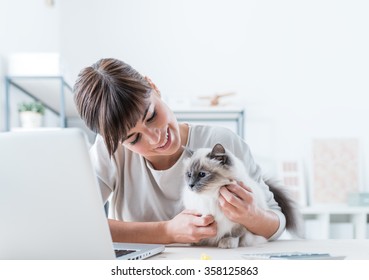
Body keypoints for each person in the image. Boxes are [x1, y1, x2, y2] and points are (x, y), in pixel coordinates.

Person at [73, 58, 286, 244]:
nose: (155, 137)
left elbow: (277, 224)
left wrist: (253, 216)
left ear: (153, 86)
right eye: (134, 138)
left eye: (151, 116)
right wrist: (166, 231)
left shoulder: (220, 142)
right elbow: (78, 222)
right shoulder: (109, 151)